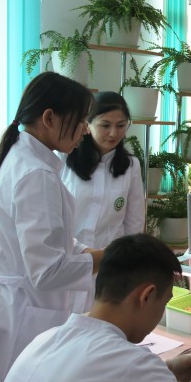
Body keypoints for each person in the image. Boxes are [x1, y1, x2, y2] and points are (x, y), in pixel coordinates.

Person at [0, 72, 103, 382]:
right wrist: (106, 258)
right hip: (17, 314)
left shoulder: (23, 157)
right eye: (81, 120)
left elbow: (46, 239)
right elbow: (46, 271)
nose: (86, 130)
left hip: (6, 304)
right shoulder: (36, 174)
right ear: (49, 118)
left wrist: (84, 250)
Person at [0, 233, 191, 382]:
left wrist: (165, 370)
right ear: (146, 296)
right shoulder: (133, 366)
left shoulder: (44, 339)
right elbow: (123, 375)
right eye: (164, 303)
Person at [61, 91, 145, 311]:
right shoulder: (64, 159)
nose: (113, 133)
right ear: (87, 125)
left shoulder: (131, 166)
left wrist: (129, 263)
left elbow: (134, 223)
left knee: (100, 322)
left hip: (110, 266)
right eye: (105, 125)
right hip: (69, 262)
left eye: (121, 125)